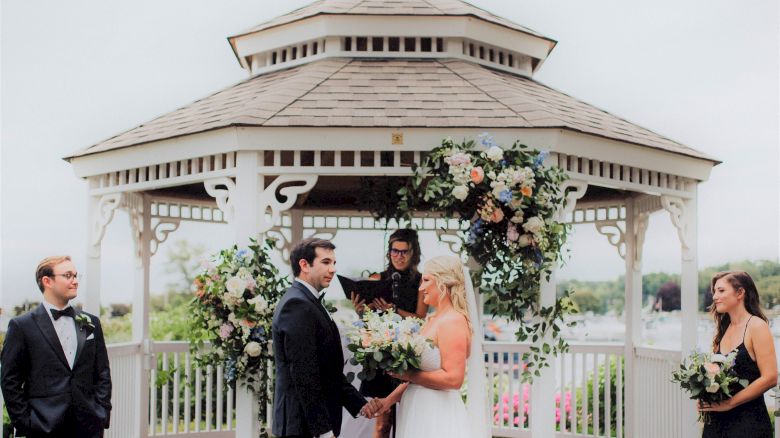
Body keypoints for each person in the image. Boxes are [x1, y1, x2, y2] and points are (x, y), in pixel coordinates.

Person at [272, 238, 380, 438]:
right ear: (304, 265)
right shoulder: (296, 305)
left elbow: (327, 369)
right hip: (303, 425)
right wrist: (323, 431)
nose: (333, 269)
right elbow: (305, 374)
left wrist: (359, 404)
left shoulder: (309, 301)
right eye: (326, 262)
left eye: (334, 263)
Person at [1, 256, 112, 437]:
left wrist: (102, 412)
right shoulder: (22, 326)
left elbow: (102, 372)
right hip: (43, 426)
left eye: (76, 276)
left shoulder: (91, 322)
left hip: (89, 425)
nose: (75, 281)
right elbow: (9, 380)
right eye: (68, 275)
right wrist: (26, 423)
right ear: (47, 281)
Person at [375, 255, 474, 438]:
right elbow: (419, 377)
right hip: (416, 407)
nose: (421, 288)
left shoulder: (453, 321)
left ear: (443, 282)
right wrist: (388, 401)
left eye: (426, 280)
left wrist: (407, 374)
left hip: (435, 412)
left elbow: (454, 379)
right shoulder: (431, 320)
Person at [348, 228, 427, 438]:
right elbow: (368, 321)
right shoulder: (377, 278)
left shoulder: (421, 281)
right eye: (395, 251)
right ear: (389, 252)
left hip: (408, 354)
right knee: (383, 422)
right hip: (382, 354)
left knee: (410, 419)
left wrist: (394, 311)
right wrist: (360, 312)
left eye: (404, 252)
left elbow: (420, 318)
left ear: (413, 253)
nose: (399, 256)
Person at [700, 271, 776, 438]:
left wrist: (730, 403)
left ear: (740, 293)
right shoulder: (724, 328)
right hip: (717, 424)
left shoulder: (756, 326)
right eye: (714, 291)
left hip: (748, 424)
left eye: (721, 291)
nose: (714, 297)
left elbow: (770, 377)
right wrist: (705, 394)